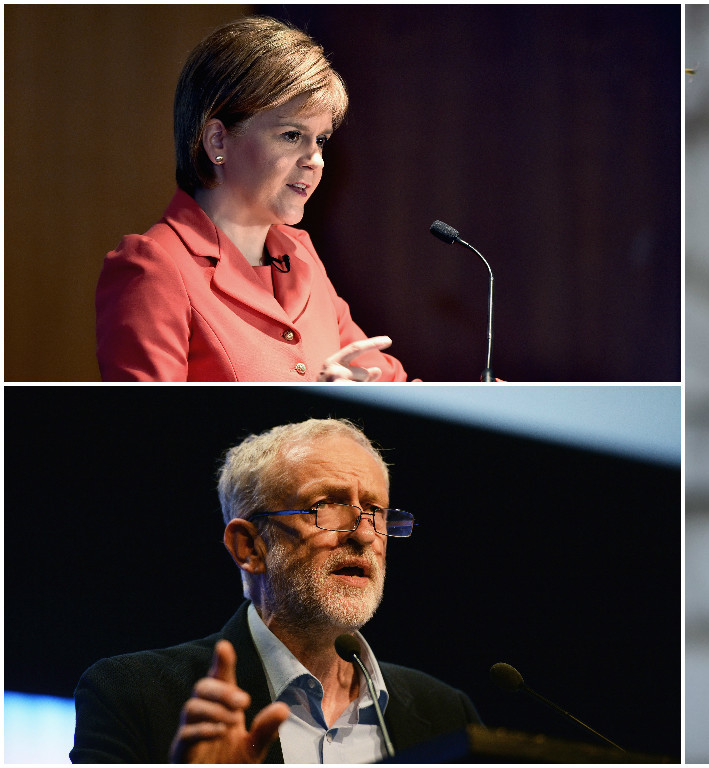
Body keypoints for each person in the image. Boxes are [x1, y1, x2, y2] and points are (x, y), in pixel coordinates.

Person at [71, 419, 478, 762]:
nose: (365, 534)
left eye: (376, 512)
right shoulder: (134, 696)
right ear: (249, 547)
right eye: (326, 507)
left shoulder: (445, 714)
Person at [96, 17, 411, 381]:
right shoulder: (153, 267)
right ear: (218, 141)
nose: (315, 161)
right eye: (292, 135)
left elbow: (391, 385)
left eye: (320, 140)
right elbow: (148, 431)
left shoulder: (300, 255)